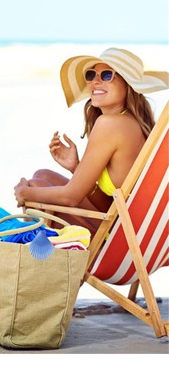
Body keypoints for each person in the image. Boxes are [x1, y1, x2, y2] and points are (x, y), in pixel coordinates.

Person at [14, 47, 168, 234]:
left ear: (128, 85)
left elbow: (71, 197)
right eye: (91, 74)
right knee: (44, 175)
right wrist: (76, 167)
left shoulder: (110, 124)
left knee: (35, 186)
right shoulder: (130, 122)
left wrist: (24, 193)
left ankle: (32, 250)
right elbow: (109, 204)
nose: (95, 81)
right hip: (130, 227)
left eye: (107, 75)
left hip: (125, 236)